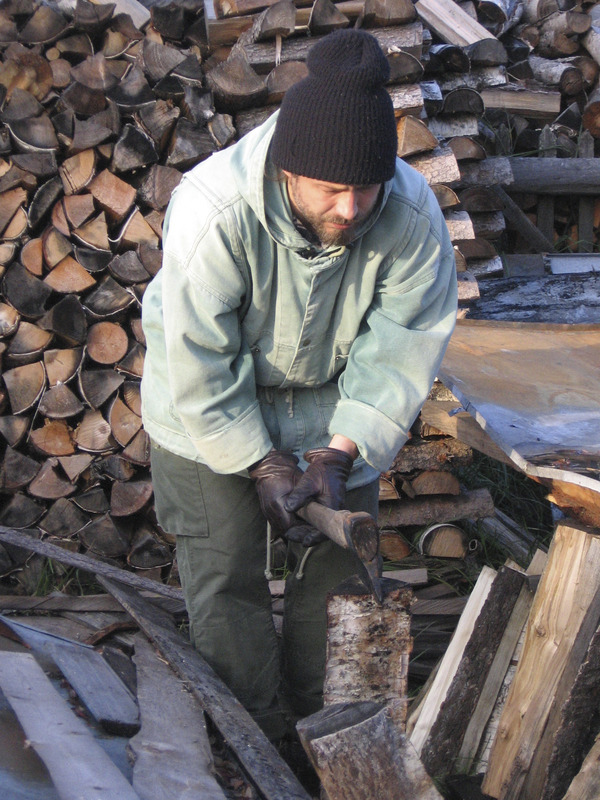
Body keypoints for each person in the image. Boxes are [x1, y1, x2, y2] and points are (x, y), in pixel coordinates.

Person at [141, 28, 457, 743]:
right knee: (227, 581)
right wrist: (264, 461)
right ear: (289, 170)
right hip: (205, 410)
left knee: (339, 582)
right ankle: (254, 742)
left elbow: (401, 347)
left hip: (332, 412)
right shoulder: (213, 208)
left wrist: (337, 455)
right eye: (331, 190)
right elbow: (199, 357)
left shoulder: (409, 217)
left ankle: (324, 735)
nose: (350, 208)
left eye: (365, 188)